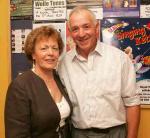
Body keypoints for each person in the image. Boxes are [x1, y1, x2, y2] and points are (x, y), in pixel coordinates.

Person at [58, 6, 140, 138]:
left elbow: (132, 103)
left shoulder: (120, 59)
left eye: (86, 26)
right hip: (78, 134)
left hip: (115, 133)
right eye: (75, 29)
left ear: (96, 28)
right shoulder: (63, 64)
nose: (81, 33)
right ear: (70, 32)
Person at [5, 26, 72, 138]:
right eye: (44, 48)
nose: (51, 53)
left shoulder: (59, 78)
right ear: (33, 54)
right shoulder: (21, 86)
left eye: (55, 48)